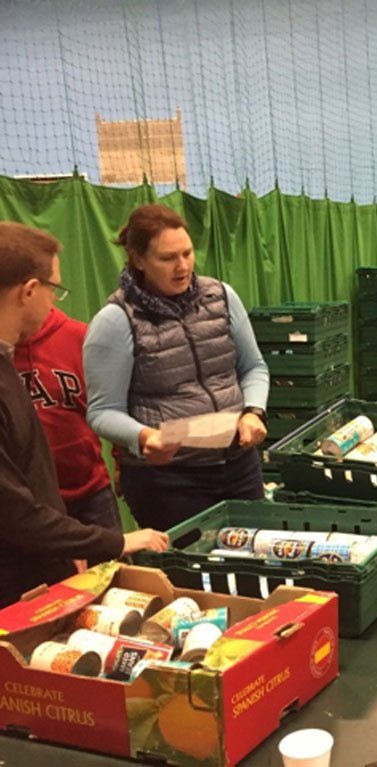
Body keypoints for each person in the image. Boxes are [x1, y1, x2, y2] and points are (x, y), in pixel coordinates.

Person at [0, 222, 168, 607]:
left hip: (46, 549)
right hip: (15, 586)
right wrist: (118, 541)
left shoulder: (8, 358)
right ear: (29, 291)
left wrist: (65, 543)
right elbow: (14, 512)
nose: (54, 301)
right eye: (53, 288)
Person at [84, 205, 270, 532]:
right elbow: (102, 411)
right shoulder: (115, 320)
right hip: (167, 482)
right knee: (189, 578)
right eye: (168, 258)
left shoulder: (222, 296)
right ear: (139, 260)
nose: (182, 266)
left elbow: (253, 367)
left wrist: (254, 411)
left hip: (239, 466)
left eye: (187, 253)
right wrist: (143, 436)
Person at [15, 307, 122, 546]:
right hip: (31, 504)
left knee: (113, 574)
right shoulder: (5, 352)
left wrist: (120, 458)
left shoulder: (79, 337)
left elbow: (110, 405)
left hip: (90, 490)